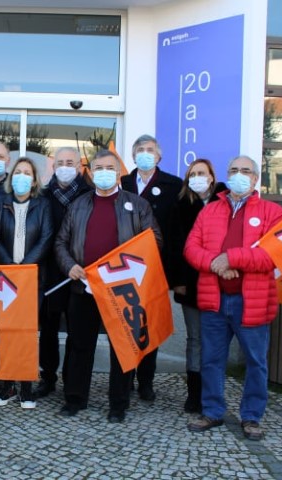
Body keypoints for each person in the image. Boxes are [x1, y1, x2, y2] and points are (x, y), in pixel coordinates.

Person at [55, 150, 161, 422]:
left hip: (122, 289)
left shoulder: (138, 205)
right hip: (84, 288)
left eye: (109, 167)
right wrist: (69, 266)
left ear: (118, 172)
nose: (103, 172)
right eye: (98, 168)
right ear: (90, 173)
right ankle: (75, 399)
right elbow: (61, 242)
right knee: (79, 346)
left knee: (122, 347)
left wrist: (128, 267)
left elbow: (154, 241)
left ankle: (118, 404)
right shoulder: (78, 205)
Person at [184, 155, 282, 441]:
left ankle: (252, 416)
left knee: (256, 361)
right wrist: (216, 263)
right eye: (234, 170)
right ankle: (212, 411)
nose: (239, 174)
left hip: (252, 301)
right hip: (214, 299)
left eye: (245, 171)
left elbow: (273, 255)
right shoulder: (210, 211)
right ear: (226, 176)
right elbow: (191, 248)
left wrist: (232, 258)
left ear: (255, 178)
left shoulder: (272, 212)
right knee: (211, 360)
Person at [120, 134, 182, 401]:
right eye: (140, 149)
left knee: (148, 325)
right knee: (125, 323)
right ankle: (125, 378)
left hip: (156, 267)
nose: (145, 154)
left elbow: (177, 232)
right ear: (133, 155)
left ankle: (146, 380)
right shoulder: (122, 182)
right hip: (124, 267)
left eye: (150, 150)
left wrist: (175, 274)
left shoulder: (173, 185)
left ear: (159, 156)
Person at [0, 157, 53, 409]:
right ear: (11, 176)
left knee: (26, 334)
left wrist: (25, 267)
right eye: (18, 172)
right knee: (5, 332)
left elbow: (46, 238)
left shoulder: (43, 205)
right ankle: (7, 386)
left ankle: (26, 388)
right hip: (5, 277)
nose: (22, 177)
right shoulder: (0, 202)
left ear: (34, 181)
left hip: (31, 279)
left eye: (27, 173)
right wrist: (9, 265)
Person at [169, 159, 227, 413]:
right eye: (192, 174)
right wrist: (178, 281)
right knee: (195, 338)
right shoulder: (181, 204)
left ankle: (212, 391)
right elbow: (174, 244)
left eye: (201, 173)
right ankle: (194, 394)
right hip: (190, 283)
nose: (197, 178)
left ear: (212, 176)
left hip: (221, 280)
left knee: (215, 339)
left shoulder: (226, 202)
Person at [35, 147, 91, 399]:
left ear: (79, 166)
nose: (65, 167)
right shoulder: (44, 195)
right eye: (60, 162)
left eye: (70, 162)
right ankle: (48, 376)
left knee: (77, 329)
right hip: (50, 271)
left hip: (80, 271)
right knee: (48, 329)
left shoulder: (89, 194)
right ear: (53, 166)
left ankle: (72, 378)